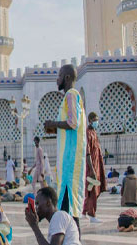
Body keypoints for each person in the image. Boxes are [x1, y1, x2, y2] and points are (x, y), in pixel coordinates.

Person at [44, 63, 86, 235]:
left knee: (70, 209)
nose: (57, 79)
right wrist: (54, 128)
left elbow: (73, 123)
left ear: (67, 77)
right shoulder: (70, 97)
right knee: (67, 209)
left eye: (60, 75)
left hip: (70, 161)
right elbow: (70, 126)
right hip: (67, 161)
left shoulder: (71, 95)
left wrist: (54, 123)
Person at [83, 112, 106, 223]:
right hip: (91, 167)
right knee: (91, 190)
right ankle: (92, 214)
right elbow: (87, 153)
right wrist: (91, 169)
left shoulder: (94, 133)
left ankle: (84, 211)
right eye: (95, 120)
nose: (97, 122)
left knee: (91, 189)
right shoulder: (88, 133)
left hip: (97, 165)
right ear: (90, 120)